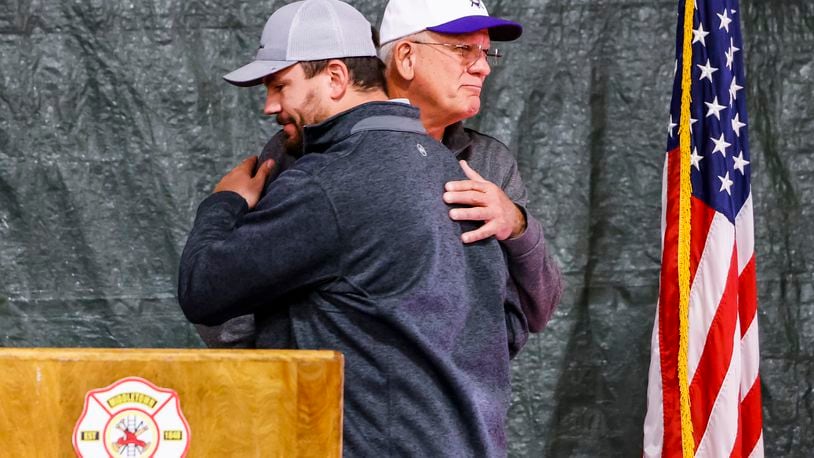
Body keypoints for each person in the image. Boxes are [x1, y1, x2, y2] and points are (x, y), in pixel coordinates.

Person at [179, 0, 515, 455]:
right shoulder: (448, 167)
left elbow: (204, 289)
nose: (270, 105)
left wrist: (225, 202)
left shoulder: (329, 180)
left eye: (280, 85)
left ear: (336, 77)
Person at [197, 0, 564, 356]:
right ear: (405, 57)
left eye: (486, 53)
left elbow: (535, 309)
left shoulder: (489, 163)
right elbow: (229, 284)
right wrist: (282, 371)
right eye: (464, 49)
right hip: (319, 403)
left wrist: (517, 225)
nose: (482, 67)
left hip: (445, 409)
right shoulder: (304, 147)